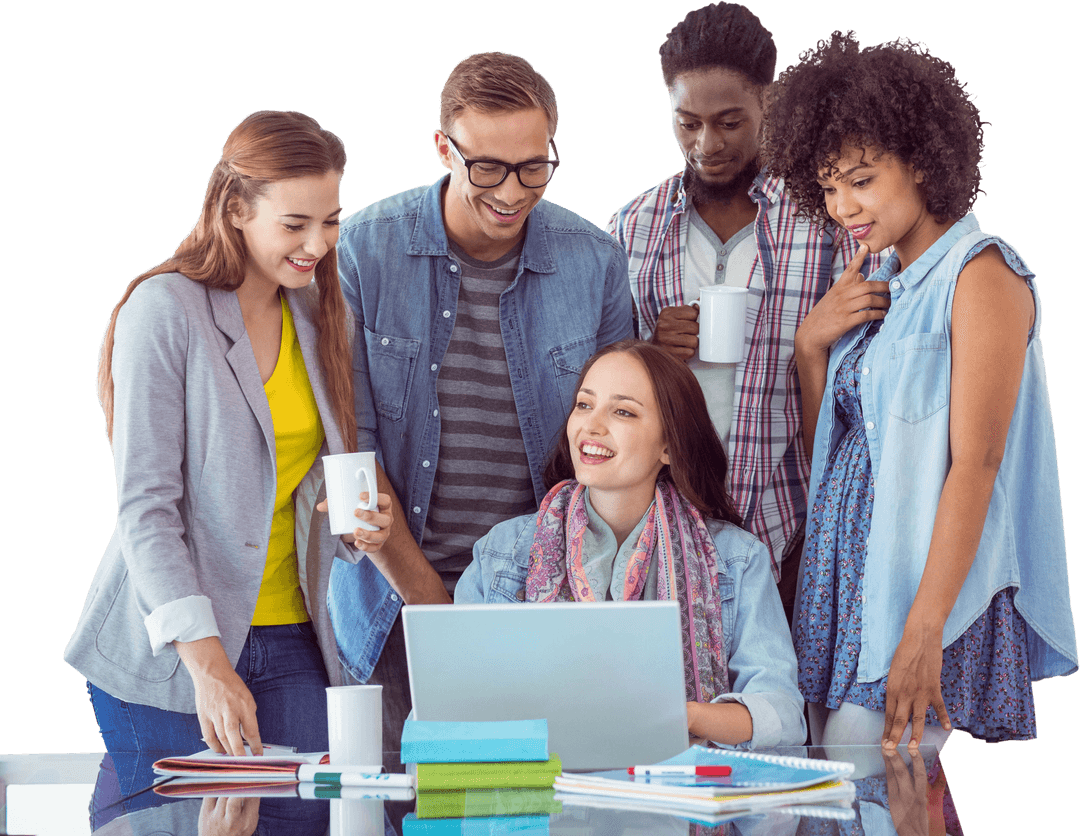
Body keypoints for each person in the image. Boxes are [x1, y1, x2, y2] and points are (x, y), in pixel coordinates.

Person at [763, 31, 1078, 749]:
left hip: (914, 594)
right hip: (840, 585)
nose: (843, 206)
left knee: (880, 791)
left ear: (925, 161)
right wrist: (811, 350)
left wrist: (923, 630)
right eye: (830, 185)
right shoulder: (878, 285)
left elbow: (978, 464)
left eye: (863, 179)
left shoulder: (980, 273)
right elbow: (840, 453)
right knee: (837, 804)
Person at [329, 52, 634, 760]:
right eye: (487, 168)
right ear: (444, 148)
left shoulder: (594, 261)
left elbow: (618, 448)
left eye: (534, 166)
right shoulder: (363, 255)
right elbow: (351, 459)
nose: (512, 190)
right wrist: (445, 619)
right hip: (393, 611)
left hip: (544, 613)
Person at [64, 111, 393, 758]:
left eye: (330, 220)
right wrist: (208, 665)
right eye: (295, 224)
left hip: (295, 634)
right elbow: (147, 509)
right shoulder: (164, 310)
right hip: (178, 645)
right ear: (236, 209)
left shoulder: (321, 313)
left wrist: (358, 528)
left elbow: (302, 480)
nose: (319, 244)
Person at [606, 3, 882, 620]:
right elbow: (602, 384)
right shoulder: (632, 228)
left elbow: (872, 375)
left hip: (797, 527)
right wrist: (646, 351)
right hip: (668, 527)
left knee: (786, 714)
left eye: (730, 122)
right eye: (688, 122)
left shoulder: (828, 220)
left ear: (770, 103)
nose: (708, 144)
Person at [457, 340, 805, 750]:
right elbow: (448, 709)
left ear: (669, 446)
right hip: (539, 800)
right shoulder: (501, 552)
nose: (592, 426)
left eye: (622, 411)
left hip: (678, 795)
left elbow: (782, 715)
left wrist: (683, 714)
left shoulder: (738, 559)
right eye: (584, 405)